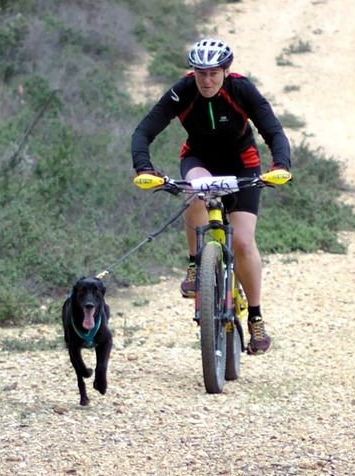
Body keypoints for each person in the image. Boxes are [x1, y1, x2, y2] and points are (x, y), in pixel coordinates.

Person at [131, 38, 291, 355]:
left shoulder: (241, 89)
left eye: (213, 73)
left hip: (242, 164)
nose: (206, 80)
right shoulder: (183, 90)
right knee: (195, 192)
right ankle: (196, 265)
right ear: (193, 72)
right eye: (201, 73)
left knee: (244, 242)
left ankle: (256, 317)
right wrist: (143, 168)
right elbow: (144, 131)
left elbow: (273, 130)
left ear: (226, 72)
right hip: (199, 160)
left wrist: (281, 166)